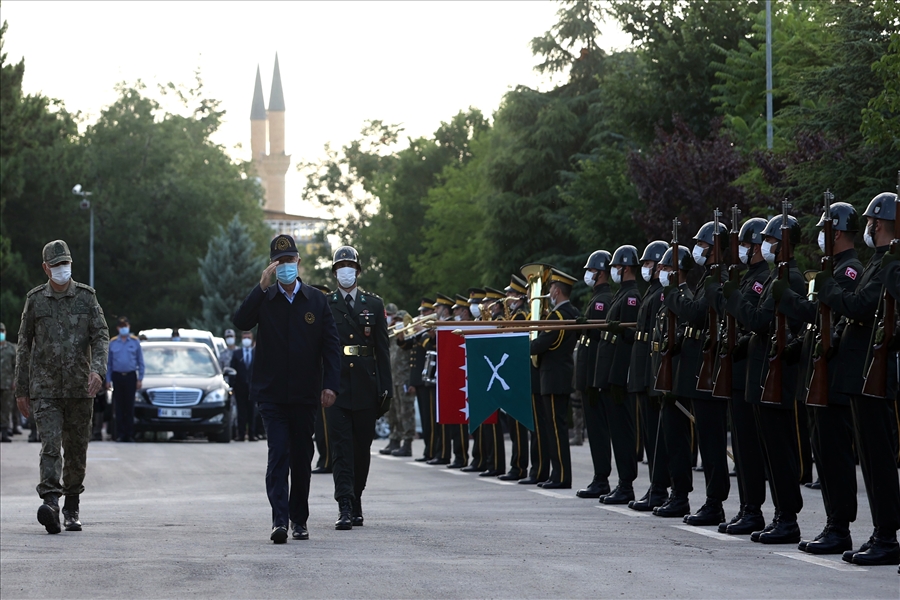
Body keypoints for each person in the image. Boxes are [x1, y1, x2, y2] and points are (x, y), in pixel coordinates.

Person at [232, 234, 341, 544]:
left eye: (290, 261)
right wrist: (261, 286)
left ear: (299, 262)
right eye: (279, 263)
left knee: (301, 457)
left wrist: (330, 385)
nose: (286, 267)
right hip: (272, 393)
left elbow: (330, 347)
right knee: (278, 454)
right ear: (272, 266)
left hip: (306, 394)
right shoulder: (265, 297)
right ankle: (279, 519)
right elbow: (241, 321)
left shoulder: (316, 300)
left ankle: (299, 519)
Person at [815, 191, 899, 565]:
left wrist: (829, 290)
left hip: (873, 372)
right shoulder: (880, 262)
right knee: (869, 457)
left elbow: (865, 306)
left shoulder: (890, 264)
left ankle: (886, 536)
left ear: (877, 224)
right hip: (861, 373)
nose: (867, 227)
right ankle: (879, 533)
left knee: (878, 458)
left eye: (869, 222)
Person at [776, 202, 862, 553]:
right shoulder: (834, 270)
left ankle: (839, 527)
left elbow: (826, 313)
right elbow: (819, 319)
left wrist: (790, 303)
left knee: (835, 457)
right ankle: (833, 523)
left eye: (824, 230)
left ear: (836, 232)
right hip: (820, 377)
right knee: (823, 454)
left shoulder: (850, 271)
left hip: (836, 379)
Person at [15, 239, 109, 534]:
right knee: (51, 447)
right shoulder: (35, 300)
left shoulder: (86, 298)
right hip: (45, 390)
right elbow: (23, 346)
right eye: (56, 266)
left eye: (65, 264)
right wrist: (21, 389)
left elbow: (101, 337)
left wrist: (98, 371)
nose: (62, 270)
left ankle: (71, 505)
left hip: (81, 388)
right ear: (46, 268)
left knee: (77, 449)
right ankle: (51, 503)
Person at [724, 213, 807, 544]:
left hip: (779, 375)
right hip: (761, 373)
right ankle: (766, 513)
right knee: (763, 450)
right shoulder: (774, 277)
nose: (762, 247)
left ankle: (787, 518)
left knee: (779, 453)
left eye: (770, 241)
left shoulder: (791, 279)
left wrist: (732, 298)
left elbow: (760, 321)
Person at [663, 220, 731, 527]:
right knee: (704, 438)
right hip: (697, 369)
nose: (699, 251)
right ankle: (708, 500)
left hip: (710, 370)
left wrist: (675, 293)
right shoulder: (709, 277)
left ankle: (715, 502)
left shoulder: (719, 277)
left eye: (703, 246)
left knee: (712, 441)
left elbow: (697, 314)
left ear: (715, 248)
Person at [326, 245, 392, 530]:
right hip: (337, 385)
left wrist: (386, 388)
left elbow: (383, 350)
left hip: (366, 385)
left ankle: (357, 498)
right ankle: (343, 503)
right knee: (340, 448)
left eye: (350, 267)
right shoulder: (326, 304)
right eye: (340, 267)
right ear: (334, 273)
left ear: (358, 271)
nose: (345, 272)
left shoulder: (373, 305)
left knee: (361, 448)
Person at [593, 245, 643, 505]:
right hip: (611, 376)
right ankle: (622, 483)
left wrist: (618, 378)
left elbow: (628, 342)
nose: (611, 271)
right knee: (617, 431)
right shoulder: (622, 295)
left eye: (615, 266)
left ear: (624, 268)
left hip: (618, 377)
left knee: (623, 433)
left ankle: (626, 485)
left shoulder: (632, 296)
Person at [626, 241, 669, 511]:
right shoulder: (651, 292)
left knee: (656, 434)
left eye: (648, 263)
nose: (644, 268)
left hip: (651, 370)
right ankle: (655, 486)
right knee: (650, 433)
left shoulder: (661, 294)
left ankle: (660, 487)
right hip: (643, 368)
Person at [530, 268, 580, 490]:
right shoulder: (571, 312)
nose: (548, 291)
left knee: (555, 429)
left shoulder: (558, 316)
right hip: (559, 375)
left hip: (553, 376)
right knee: (555, 428)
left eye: (550, 288)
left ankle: (560, 476)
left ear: (557, 291)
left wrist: (522, 344)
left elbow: (542, 344)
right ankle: (558, 473)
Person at [574, 250, 613, 498]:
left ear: (599, 273)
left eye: (590, 271)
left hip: (595, 374)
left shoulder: (603, 300)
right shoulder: (597, 298)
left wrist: (585, 328)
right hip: (590, 374)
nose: (588, 275)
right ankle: (600, 478)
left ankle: (602, 479)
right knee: (595, 429)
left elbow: (598, 337)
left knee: (598, 430)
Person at [379, 304, 414, 457]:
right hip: (392, 379)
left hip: (404, 379)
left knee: (405, 412)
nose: (395, 320)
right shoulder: (391, 335)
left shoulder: (407, 336)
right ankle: (394, 439)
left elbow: (406, 347)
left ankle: (407, 442)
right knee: (392, 412)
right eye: (393, 317)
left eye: (398, 318)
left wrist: (402, 330)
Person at [106, 316, 144, 443]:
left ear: (129, 327)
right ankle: (120, 434)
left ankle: (129, 434)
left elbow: (140, 362)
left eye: (125, 326)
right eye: (121, 326)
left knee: (129, 406)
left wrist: (140, 378)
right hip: (117, 376)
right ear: (118, 328)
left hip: (130, 376)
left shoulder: (134, 342)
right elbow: (109, 364)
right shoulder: (113, 343)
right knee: (119, 407)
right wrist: (108, 379)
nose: (124, 328)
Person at [230, 330, 258, 441]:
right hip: (240, 387)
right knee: (241, 411)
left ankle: (252, 434)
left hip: (253, 388)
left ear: (252, 339)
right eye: (244, 337)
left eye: (248, 337)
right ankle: (241, 434)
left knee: (252, 411)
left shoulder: (256, 353)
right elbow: (232, 370)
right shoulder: (237, 353)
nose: (246, 339)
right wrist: (232, 386)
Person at [1, 322, 17, 442]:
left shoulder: (11, 349)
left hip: (7, 385)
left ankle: (5, 433)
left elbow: (16, 367)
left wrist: (15, 381)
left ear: (5, 332)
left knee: (6, 409)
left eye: (2, 331)